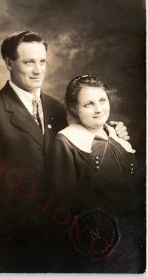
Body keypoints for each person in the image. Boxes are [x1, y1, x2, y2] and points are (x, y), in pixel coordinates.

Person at [0, 32, 129, 273]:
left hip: (59, 237)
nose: (38, 70)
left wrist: (112, 132)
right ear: (9, 63)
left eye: (42, 61)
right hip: (11, 242)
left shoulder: (55, 108)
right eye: (29, 62)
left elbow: (81, 143)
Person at [47, 74, 140, 273]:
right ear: (74, 109)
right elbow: (63, 205)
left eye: (102, 100)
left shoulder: (117, 137)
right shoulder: (66, 142)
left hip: (131, 238)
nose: (98, 109)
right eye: (88, 104)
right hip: (95, 245)